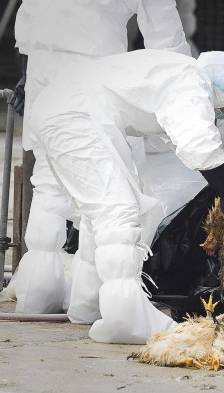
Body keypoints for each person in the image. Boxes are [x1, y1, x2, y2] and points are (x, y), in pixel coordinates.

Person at [26, 49, 224, 344]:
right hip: (75, 117)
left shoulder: (182, 73)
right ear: (222, 92)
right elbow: (197, 142)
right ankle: (124, 319)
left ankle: (88, 304)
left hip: (67, 109)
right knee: (119, 212)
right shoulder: (189, 82)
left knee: (99, 213)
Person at [12, 0, 190, 314]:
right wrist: (182, 83)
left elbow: (30, 13)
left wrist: (27, 73)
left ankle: (36, 294)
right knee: (105, 187)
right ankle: (90, 302)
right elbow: (165, 33)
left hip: (43, 61)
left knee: (49, 181)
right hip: (95, 64)